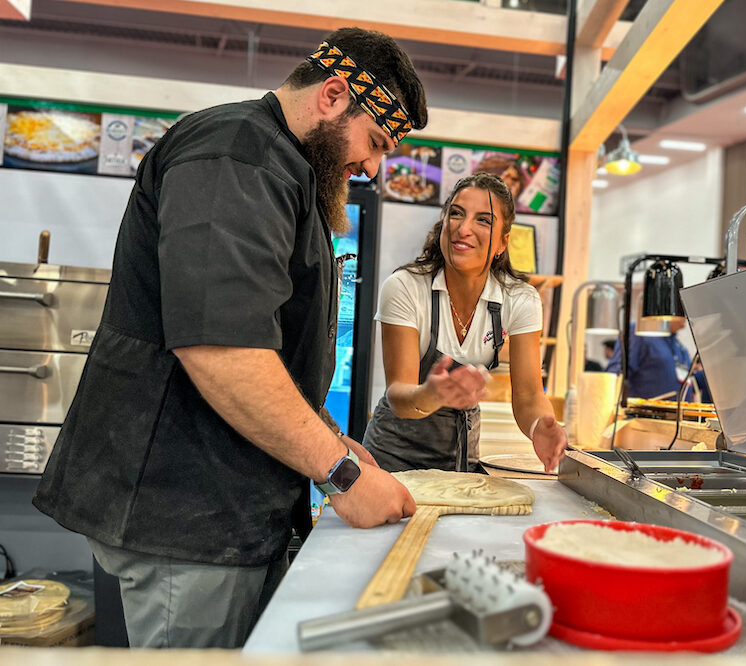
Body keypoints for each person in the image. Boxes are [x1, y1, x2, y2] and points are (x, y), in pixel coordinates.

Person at [32, 28, 428, 649]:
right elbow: (221, 349)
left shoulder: (284, 168)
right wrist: (341, 472)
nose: (372, 168)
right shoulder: (236, 156)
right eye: (374, 142)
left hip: (225, 504)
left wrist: (326, 433)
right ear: (332, 95)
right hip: (185, 510)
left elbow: (271, 346)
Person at [363, 174, 566, 473]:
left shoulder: (520, 299)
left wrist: (540, 426)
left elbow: (529, 395)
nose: (464, 228)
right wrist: (431, 394)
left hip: (461, 457)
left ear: (502, 243)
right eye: (456, 213)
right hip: (392, 457)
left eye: (484, 220)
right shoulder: (405, 287)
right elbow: (399, 394)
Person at [606, 320, 712, 402]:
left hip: (680, 421)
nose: (684, 315)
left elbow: (687, 382)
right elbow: (615, 374)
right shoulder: (640, 331)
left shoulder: (680, 347)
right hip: (645, 420)